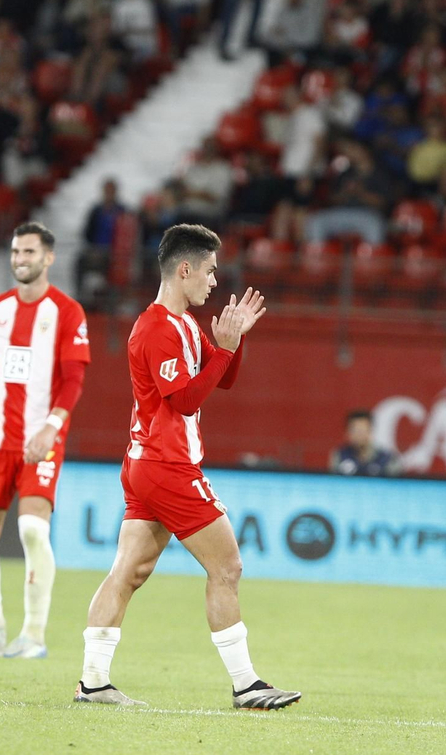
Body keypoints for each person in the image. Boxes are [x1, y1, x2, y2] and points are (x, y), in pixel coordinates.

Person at [75, 224, 300, 710]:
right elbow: (182, 399)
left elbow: (221, 381)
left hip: (145, 464)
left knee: (127, 572)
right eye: (211, 271)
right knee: (228, 566)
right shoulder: (155, 329)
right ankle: (246, 685)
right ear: (184, 269)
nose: (215, 282)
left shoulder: (184, 326)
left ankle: (93, 682)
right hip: (168, 465)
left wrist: (231, 341)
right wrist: (221, 351)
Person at [0, 223, 91, 660]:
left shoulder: (68, 312)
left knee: (33, 529)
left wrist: (51, 427)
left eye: (29, 252)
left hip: (42, 438)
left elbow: (75, 378)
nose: (20, 259)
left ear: (48, 258)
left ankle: (33, 635)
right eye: (16, 251)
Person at [330, 410, 394, 476]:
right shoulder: (340, 455)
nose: (359, 434)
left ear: (370, 431)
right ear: (347, 433)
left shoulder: (386, 459)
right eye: (355, 430)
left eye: (362, 430)